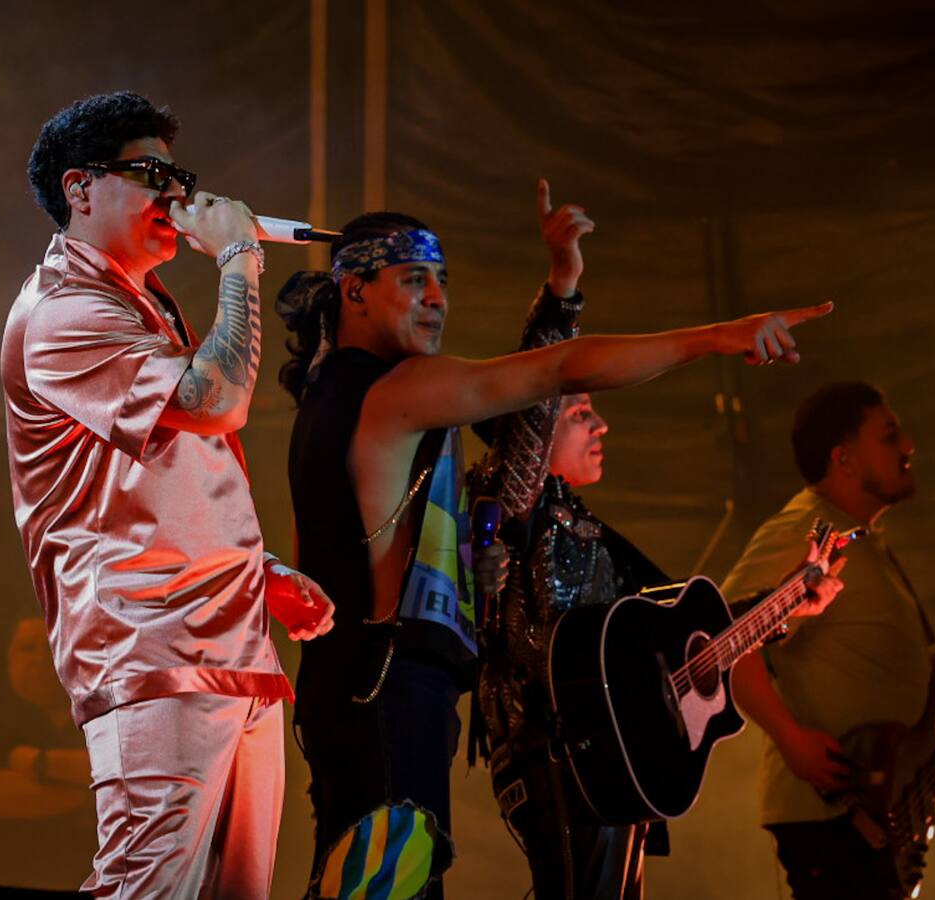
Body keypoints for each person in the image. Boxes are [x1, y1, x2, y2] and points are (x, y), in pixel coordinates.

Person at [276, 179, 831, 898]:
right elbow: (560, 371)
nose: (439, 299)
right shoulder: (397, 390)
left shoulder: (328, 403)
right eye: (414, 281)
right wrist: (718, 336)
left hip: (356, 691)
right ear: (353, 291)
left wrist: (471, 572)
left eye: (442, 282)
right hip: (392, 692)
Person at [1, 91, 334, 899]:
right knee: (145, 889)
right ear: (81, 190)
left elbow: (154, 487)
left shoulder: (136, 301)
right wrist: (239, 258)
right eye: (150, 174)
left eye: (179, 176)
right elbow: (217, 399)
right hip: (151, 650)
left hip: (228, 647)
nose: (177, 197)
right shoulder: (64, 310)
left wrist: (257, 571)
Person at [467, 252, 846, 900]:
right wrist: (559, 298)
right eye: (580, 411)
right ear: (531, 432)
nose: (601, 422)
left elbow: (690, 638)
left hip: (611, 762)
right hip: (558, 759)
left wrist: (791, 600)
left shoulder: (588, 531)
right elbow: (536, 392)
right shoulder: (518, 505)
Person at [722, 381, 935, 900]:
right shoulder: (805, 531)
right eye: (889, 437)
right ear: (844, 459)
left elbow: (874, 675)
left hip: (871, 819)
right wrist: (792, 740)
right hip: (830, 817)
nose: (908, 446)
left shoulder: (861, 538)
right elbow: (725, 638)